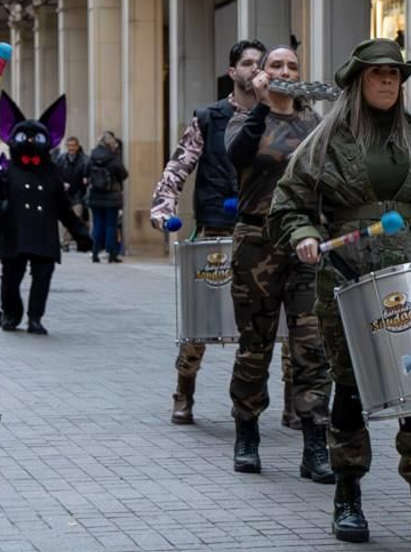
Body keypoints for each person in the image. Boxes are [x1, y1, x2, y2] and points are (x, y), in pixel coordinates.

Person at [269, 38, 411, 546]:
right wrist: (304, 236)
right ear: (357, 82)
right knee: (351, 385)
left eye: (395, 75)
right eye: (378, 74)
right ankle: (347, 494)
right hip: (348, 270)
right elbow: (288, 202)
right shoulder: (328, 137)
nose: (388, 82)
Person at [226, 44, 332, 482]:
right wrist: (261, 105)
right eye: (276, 65)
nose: (284, 70)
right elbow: (235, 156)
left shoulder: (315, 123)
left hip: (306, 244)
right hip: (257, 241)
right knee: (256, 345)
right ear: (261, 74)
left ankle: (315, 445)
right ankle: (247, 433)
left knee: (312, 346)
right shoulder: (244, 119)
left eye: (292, 65)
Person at [151, 38, 260, 425]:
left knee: (274, 323)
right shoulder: (208, 117)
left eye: (259, 63)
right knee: (200, 320)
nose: (254, 69)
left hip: (264, 230)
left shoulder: (280, 117)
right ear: (233, 72)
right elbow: (178, 166)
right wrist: (163, 209)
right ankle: (184, 389)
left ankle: (293, 404)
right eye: (247, 63)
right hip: (215, 227)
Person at [0, 92, 92, 335]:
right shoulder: (7, 170)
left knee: (42, 278)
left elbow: (64, 208)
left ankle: (35, 318)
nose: (30, 141)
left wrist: (81, 233)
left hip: (44, 235)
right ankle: (11, 314)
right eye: (24, 136)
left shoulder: (51, 173)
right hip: (14, 233)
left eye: (36, 137)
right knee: (10, 280)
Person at [86, 131, 128, 263]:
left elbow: (85, 171)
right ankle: (112, 254)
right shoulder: (114, 157)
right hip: (112, 197)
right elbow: (124, 174)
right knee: (111, 225)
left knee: (98, 224)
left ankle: (95, 252)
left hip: (95, 196)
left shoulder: (92, 156)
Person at [53, 135, 90, 250]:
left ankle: (70, 241)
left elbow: (87, 174)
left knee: (76, 218)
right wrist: (62, 183)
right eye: (69, 146)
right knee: (65, 219)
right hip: (65, 194)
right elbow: (56, 174)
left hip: (78, 194)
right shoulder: (61, 159)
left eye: (73, 146)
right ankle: (65, 242)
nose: (71, 148)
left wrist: (86, 179)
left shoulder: (84, 160)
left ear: (78, 146)